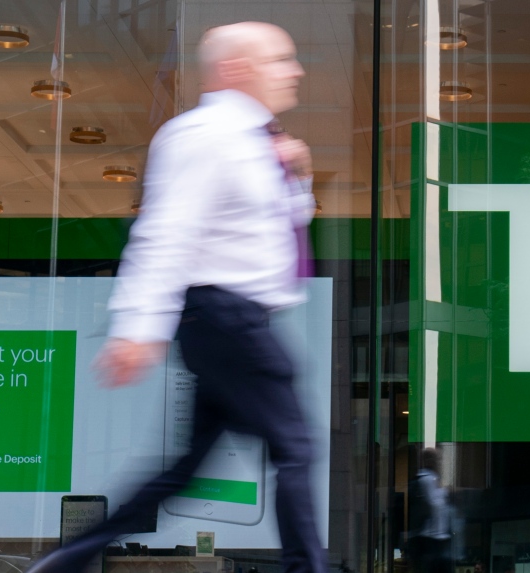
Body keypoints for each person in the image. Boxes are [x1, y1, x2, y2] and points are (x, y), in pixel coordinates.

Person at [27, 22, 325, 573]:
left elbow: (269, 232)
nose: (296, 70)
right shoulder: (204, 135)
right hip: (226, 317)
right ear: (237, 69)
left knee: (184, 467)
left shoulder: (257, 142)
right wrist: (139, 327)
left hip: (232, 318)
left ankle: (67, 560)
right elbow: (166, 232)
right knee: (297, 447)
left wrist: (298, 179)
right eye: (281, 59)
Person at [407, 448, 452, 573]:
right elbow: (434, 505)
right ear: (429, 461)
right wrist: (444, 492)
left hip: (436, 540)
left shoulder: (432, 479)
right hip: (430, 539)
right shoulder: (427, 479)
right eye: (437, 459)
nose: (439, 463)